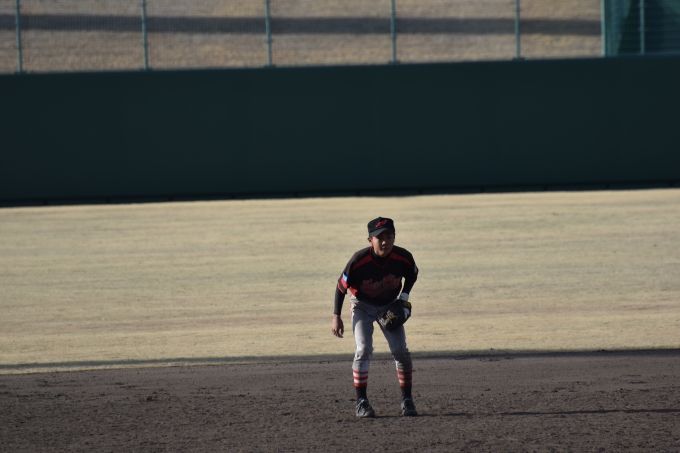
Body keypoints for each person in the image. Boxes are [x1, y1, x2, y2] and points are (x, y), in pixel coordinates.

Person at [331, 217, 419, 418]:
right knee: (363, 349)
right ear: (370, 239)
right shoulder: (358, 260)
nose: (385, 242)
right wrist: (336, 316)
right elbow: (341, 287)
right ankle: (361, 402)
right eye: (380, 237)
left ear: (394, 237)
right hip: (362, 305)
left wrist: (404, 297)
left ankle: (407, 399)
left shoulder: (403, 257)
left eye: (389, 236)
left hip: (389, 305)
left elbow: (412, 274)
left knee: (401, 351)